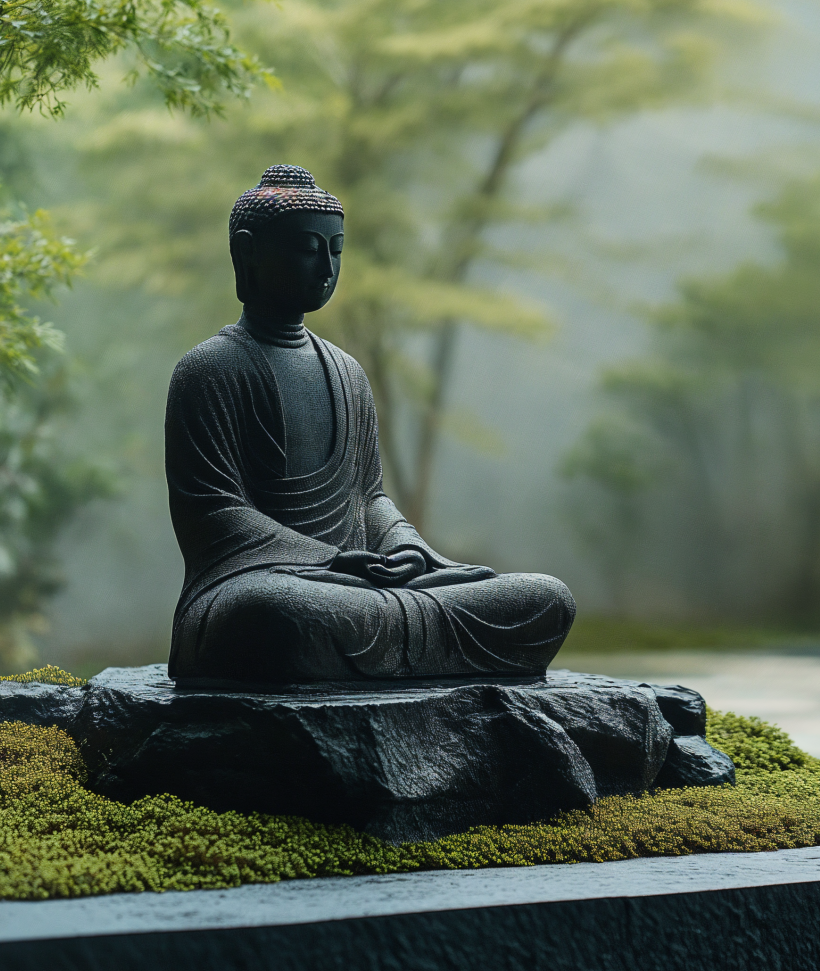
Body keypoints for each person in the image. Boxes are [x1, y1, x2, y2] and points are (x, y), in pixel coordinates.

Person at [165, 165, 575, 682]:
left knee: (544, 599)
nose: (326, 267)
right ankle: (409, 648)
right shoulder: (209, 370)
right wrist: (331, 562)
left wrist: (409, 552)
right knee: (277, 616)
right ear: (247, 254)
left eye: (336, 250)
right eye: (308, 248)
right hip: (262, 585)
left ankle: (387, 648)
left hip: (365, 592)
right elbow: (213, 514)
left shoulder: (347, 372)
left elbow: (369, 497)